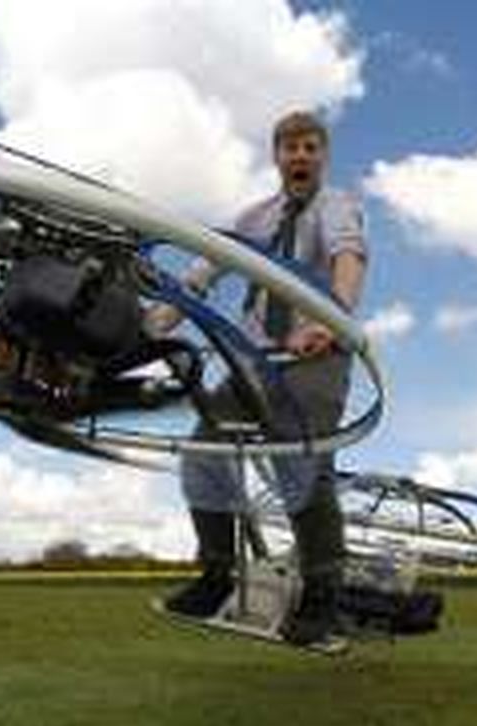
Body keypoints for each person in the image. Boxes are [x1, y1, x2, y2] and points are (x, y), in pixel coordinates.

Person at [149, 110, 368, 646]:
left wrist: (329, 319)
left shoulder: (337, 207)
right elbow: (206, 268)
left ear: (322, 156)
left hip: (314, 357)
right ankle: (217, 575)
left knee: (300, 465)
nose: (300, 156)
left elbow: (349, 258)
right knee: (204, 456)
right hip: (255, 360)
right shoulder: (255, 217)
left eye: (311, 147)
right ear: (276, 156)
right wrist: (164, 318)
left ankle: (322, 599)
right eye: (290, 148)